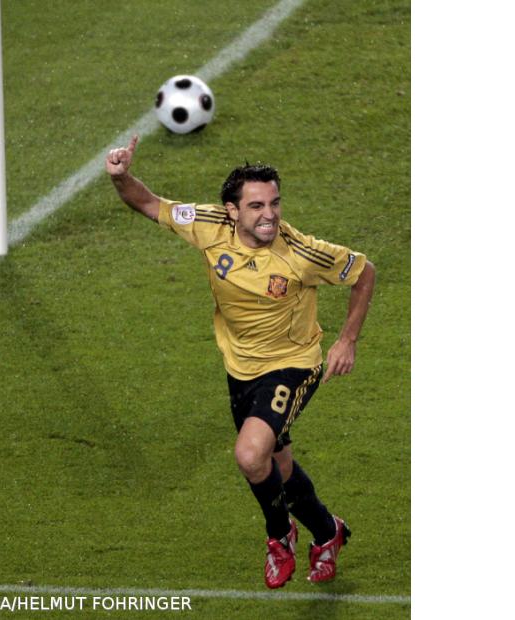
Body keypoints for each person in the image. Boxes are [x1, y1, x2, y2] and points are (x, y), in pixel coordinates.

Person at [105, 134, 376, 589]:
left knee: (250, 455)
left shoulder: (300, 253)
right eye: (256, 206)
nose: (270, 214)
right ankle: (327, 531)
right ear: (232, 211)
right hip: (240, 369)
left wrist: (346, 340)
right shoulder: (209, 225)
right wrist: (121, 177)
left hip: (293, 364)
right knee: (277, 467)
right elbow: (148, 203)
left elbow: (364, 272)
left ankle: (279, 536)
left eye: (274, 203)